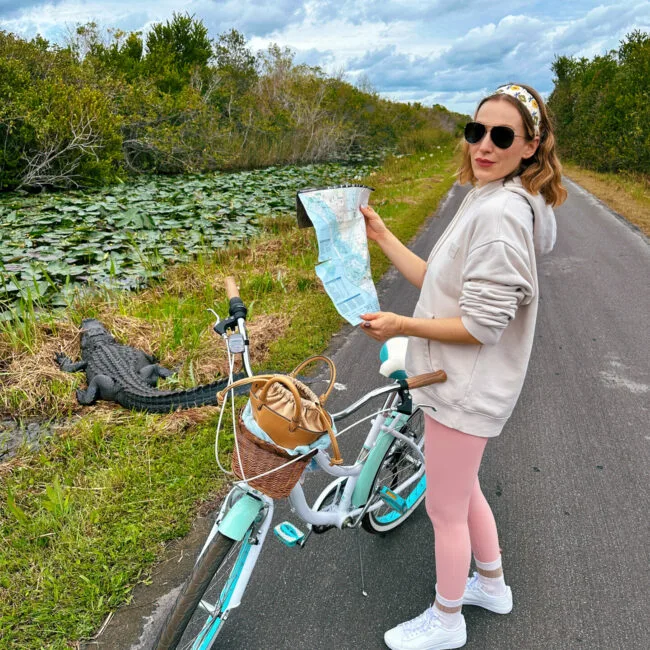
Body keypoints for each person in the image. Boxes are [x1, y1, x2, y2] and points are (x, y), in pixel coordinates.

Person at [359, 83, 567, 650]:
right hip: (454, 379)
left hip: (465, 386)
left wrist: (403, 327)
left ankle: (447, 619)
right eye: (477, 131)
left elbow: (480, 326)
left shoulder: (500, 215)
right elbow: (441, 283)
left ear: (531, 146)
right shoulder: (487, 194)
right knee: (463, 488)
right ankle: (491, 584)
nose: (484, 145)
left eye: (503, 136)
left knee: (444, 507)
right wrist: (383, 236)